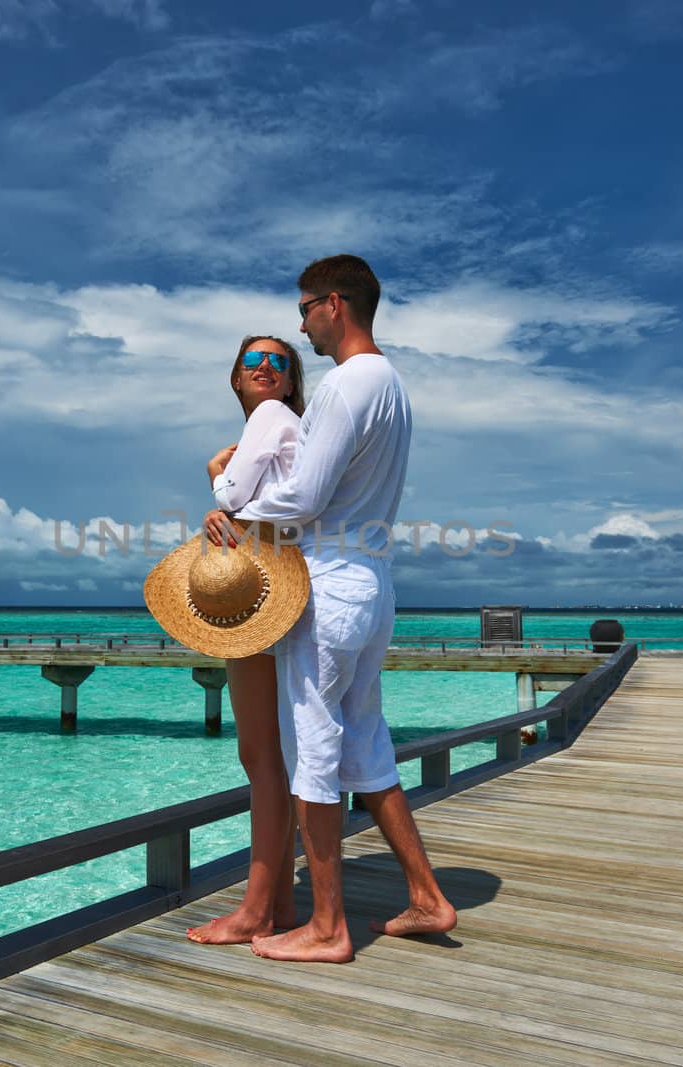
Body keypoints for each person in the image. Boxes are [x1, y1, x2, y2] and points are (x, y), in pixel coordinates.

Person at [205, 255, 457, 963]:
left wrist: (235, 513)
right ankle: (428, 896)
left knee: (310, 747)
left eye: (306, 308)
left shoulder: (348, 385)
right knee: (365, 743)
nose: (301, 322)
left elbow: (306, 497)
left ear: (335, 305)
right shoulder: (393, 385)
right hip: (374, 581)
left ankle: (326, 927)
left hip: (332, 584)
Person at [186, 335, 306, 945]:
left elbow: (236, 500)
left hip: (263, 597)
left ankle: (256, 910)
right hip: (279, 585)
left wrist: (216, 481)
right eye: (253, 361)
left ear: (289, 380)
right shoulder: (284, 426)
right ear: (234, 377)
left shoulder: (268, 417)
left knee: (260, 758)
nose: (264, 367)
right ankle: (279, 900)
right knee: (277, 760)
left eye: (277, 361)